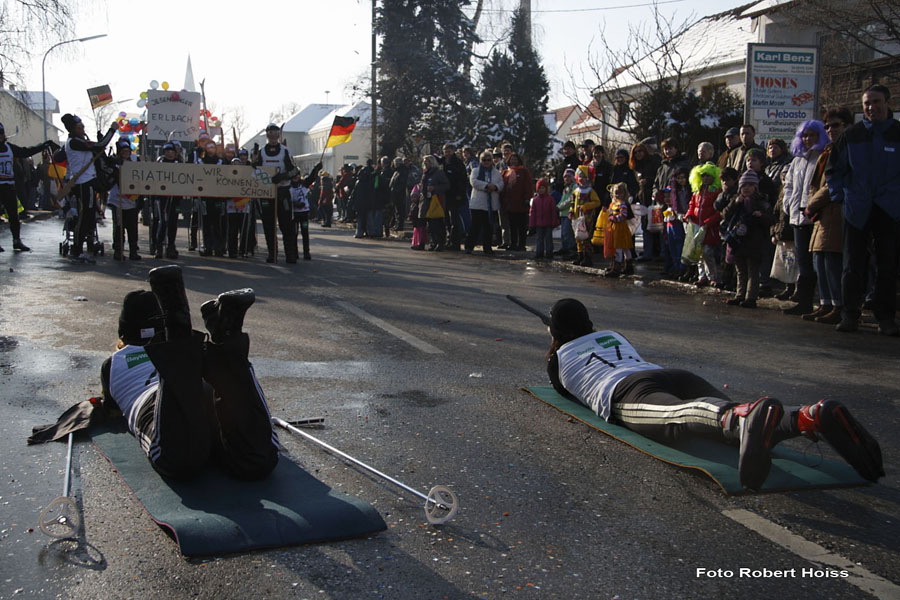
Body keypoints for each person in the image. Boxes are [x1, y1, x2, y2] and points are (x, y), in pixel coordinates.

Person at [543, 298, 884, 490]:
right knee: (735, 419)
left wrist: (555, 342)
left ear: (556, 334)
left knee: (682, 416)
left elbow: (563, 388)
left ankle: (742, 418)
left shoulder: (557, 360)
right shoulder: (613, 335)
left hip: (624, 391)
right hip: (668, 373)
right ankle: (808, 416)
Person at [101, 265, 278, 480]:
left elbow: (110, 408)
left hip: (160, 403)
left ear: (123, 333)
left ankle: (179, 331)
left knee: (178, 462)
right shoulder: (184, 355)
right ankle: (227, 338)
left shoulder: (113, 363)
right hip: (207, 388)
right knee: (256, 459)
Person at [827, 84, 900, 336]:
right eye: (867, 103)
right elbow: (834, 171)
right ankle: (850, 315)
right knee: (853, 265)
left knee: (887, 265)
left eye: (876, 102)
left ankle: (886, 318)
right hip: (857, 208)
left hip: (889, 209)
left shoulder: (897, 133)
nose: (871, 107)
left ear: (887, 103)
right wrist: (840, 197)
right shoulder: (852, 135)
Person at [801, 107, 853, 325]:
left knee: (832, 261)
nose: (830, 129)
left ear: (847, 126)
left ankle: (838, 305)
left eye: (836, 125)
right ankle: (825, 303)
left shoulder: (847, 148)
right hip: (822, 215)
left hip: (836, 211)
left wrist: (811, 204)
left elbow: (833, 184)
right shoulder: (827, 151)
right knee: (819, 260)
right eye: (827, 126)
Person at [782, 120, 829, 316]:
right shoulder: (797, 160)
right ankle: (804, 302)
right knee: (803, 263)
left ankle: (825, 302)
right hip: (797, 218)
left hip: (816, 218)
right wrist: (788, 205)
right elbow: (789, 186)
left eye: (812, 135)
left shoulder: (823, 157)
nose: (808, 139)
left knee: (818, 264)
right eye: (805, 135)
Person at [60, 113, 117, 263]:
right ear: (73, 129)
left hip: (88, 181)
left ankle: (79, 248)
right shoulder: (73, 142)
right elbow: (98, 146)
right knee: (84, 217)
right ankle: (77, 250)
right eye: (80, 127)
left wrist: (101, 137)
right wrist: (111, 131)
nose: (83, 129)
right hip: (82, 183)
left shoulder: (79, 140)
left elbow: (97, 148)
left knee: (89, 217)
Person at [0, 121, 56, 252]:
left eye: (1, 134)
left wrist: (42, 146)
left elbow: (25, 152)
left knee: (14, 215)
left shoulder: (9, 148)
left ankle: (16, 240)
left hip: (8, 186)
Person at [722, 170, 773, 308]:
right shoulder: (737, 200)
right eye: (744, 186)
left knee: (752, 271)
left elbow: (770, 219)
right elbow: (725, 214)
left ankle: (751, 297)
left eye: (750, 185)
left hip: (754, 241)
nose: (747, 188)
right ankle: (740, 294)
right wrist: (735, 203)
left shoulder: (761, 202)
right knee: (740, 270)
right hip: (738, 241)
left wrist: (760, 215)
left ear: (755, 187)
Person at [252, 123, 299, 263]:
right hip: (267, 192)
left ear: (278, 135)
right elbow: (255, 170)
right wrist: (253, 164)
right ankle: (272, 252)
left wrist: (283, 176)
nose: (273, 138)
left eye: (275, 134)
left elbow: (295, 170)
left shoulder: (285, 151)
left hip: (283, 191)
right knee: (268, 225)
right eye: (270, 134)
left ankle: (290, 253)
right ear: (267, 136)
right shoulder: (262, 152)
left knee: (286, 225)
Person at [106, 139, 141, 261]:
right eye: (123, 151)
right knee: (119, 227)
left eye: (127, 151)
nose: (126, 153)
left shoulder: (135, 161)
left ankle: (133, 250)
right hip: (118, 200)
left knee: (132, 228)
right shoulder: (114, 162)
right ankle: (118, 250)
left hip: (131, 200)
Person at [465, 150, 503, 255]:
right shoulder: (476, 171)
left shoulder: (496, 172)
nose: (486, 162)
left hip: (491, 204)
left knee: (488, 227)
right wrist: (486, 185)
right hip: (478, 203)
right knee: (475, 227)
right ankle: (469, 246)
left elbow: (501, 184)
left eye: (488, 160)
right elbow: (474, 182)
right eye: (484, 160)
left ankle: (487, 248)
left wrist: (495, 187)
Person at [289, 162, 322, 260]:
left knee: (305, 232)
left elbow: (311, 178)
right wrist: (294, 204)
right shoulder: (288, 186)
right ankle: (294, 252)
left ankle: (306, 252)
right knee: (293, 233)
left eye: (297, 175)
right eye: (294, 176)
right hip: (293, 214)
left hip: (304, 213)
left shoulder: (303, 184)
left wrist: (316, 169)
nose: (296, 177)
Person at [501, 152, 533, 251]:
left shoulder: (524, 171)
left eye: (515, 159)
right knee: (512, 225)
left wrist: (527, 198)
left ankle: (521, 244)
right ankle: (513, 243)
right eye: (512, 159)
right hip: (509, 203)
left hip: (521, 203)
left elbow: (528, 186)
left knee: (522, 226)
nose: (513, 161)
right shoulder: (505, 172)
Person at [571, 165, 602, 267]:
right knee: (578, 237)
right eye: (580, 177)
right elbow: (572, 203)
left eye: (584, 177)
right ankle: (580, 255)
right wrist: (571, 211)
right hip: (576, 218)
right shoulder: (576, 191)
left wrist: (586, 206)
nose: (582, 179)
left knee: (586, 237)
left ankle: (587, 257)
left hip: (587, 219)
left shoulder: (590, 191)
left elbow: (597, 202)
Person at [603, 182, 635, 277]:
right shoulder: (613, 204)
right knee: (623, 247)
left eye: (620, 193)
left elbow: (623, 216)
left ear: (624, 194)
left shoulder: (622, 204)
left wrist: (614, 218)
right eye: (616, 193)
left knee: (620, 247)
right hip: (615, 228)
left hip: (620, 228)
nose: (617, 195)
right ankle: (627, 266)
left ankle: (617, 268)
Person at [420, 155, 449, 251]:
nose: (425, 164)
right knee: (430, 223)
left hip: (436, 200)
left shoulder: (438, 173)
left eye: (427, 162)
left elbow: (446, 185)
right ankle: (434, 241)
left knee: (437, 222)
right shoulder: (425, 173)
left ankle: (441, 242)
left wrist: (435, 188)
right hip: (427, 200)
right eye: (424, 162)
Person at [441, 144, 467, 251]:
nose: (447, 153)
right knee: (446, 219)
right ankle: (448, 240)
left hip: (455, 195)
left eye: (449, 151)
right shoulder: (441, 162)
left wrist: (460, 194)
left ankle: (455, 242)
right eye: (445, 151)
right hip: (444, 194)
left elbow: (462, 179)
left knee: (454, 220)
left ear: (453, 151)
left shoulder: (458, 163)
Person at [529, 178, 558, 260]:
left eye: (543, 188)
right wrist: (532, 224)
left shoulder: (550, 199)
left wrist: (554, 222)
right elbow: (532, 213)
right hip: (539, 223)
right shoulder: (535, 200)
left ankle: (549, 253)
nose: (541, 190)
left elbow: (553, 211)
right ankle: (539, 252)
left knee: (548, 239)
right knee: (539, 239)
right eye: (539, 188)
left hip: (548, 223)